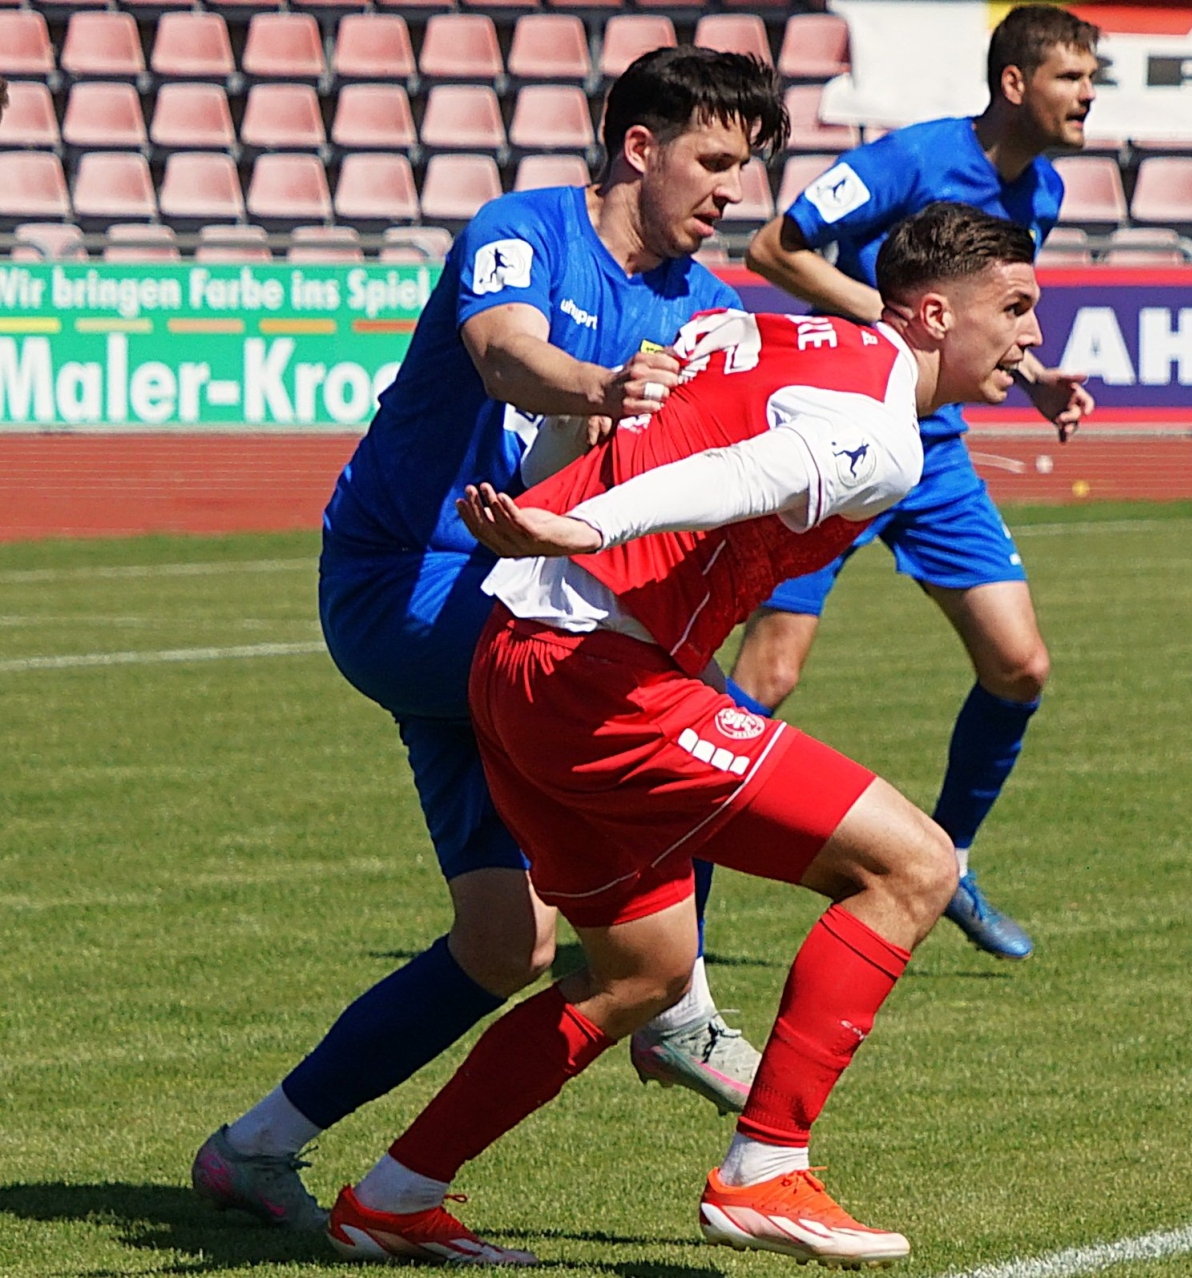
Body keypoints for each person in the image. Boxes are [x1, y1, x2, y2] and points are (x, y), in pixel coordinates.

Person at [322, 203, 1044, 1268]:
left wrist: (555, 503)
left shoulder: (770, 332)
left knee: (642, 975)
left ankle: (392, 1196)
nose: (1031, 335)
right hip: (594, 670)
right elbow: (743, 477)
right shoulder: (883, 431)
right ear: (934, 313)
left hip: (516, 651)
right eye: (1015, 309)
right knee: (915, 867)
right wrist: (586, 525)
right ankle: (768, 1169)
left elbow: (631, 412)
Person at [191, 48, 788, 1232]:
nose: (733, 192)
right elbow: (503, 351)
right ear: (638, 147)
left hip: (526, 603)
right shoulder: (523, 229)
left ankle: (257, 1146)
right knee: (682, 702)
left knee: (503, 943)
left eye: (747, 168)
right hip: (412, 582)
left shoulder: (711, 307)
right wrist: (596, 386)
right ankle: (679, 1004)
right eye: (714, 162)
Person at [736, 5, 1102, 961]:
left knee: (1019, 665)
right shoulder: (908, 159)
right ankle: (667, 928)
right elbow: (774, 246)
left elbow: (988, 314)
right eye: (1072, 78)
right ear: (1016, 83)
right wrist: (887, 320)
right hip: (842, 433)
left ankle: (950, 859)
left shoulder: (1045, 191)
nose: (1089, 96)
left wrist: (1034, 375)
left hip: (934, 451)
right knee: (765, 677)